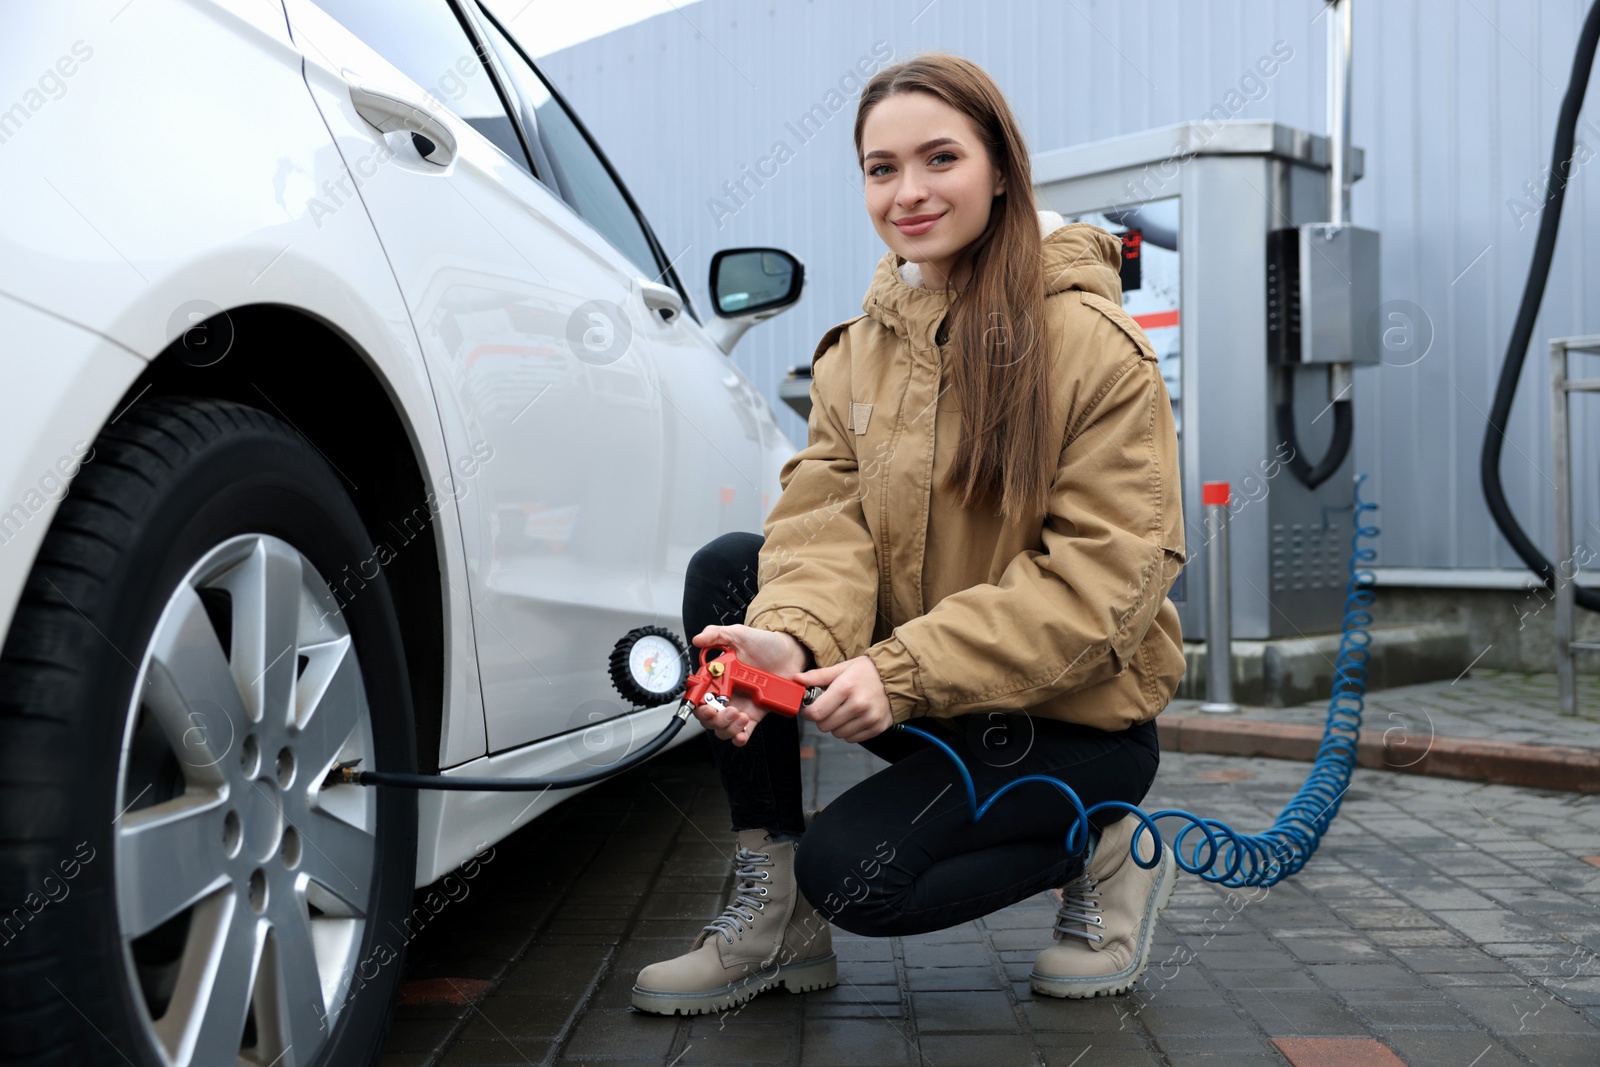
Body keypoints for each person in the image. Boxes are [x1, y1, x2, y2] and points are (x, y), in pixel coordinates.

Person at [630, 51, 1187, 1017]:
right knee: (731, 573)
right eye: (881, 168)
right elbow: (823, 523)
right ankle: (773, 923)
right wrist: (790, 637)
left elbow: (1102, 587)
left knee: (858, 878)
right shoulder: (862, 351)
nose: (910, 192)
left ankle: (1106, 844)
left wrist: (897, 672)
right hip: (934, 697)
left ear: (1001, 167)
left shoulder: (1096, 348)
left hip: (1067, 724)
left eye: (940, 158)